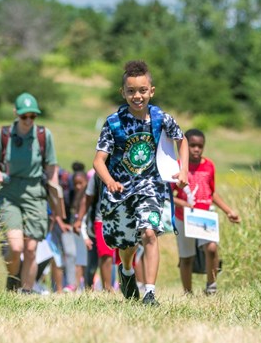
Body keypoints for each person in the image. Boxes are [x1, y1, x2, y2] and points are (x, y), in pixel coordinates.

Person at [93, 60, 189, 306]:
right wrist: (110, 181)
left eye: (143, 90)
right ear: (122, 92)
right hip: (121, 192)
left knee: (149, 234)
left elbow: (182, 140)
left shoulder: (161, 118)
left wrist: (184, 170)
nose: (137, 96)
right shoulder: (113, 123)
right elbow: (98, 162)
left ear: (152, 91)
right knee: (126, 244)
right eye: (131, 91)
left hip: (151, 188)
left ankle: (149, 294)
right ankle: (126, 271)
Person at [0, 92, 63, 294]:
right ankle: (13, 278)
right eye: (24, 116)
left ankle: (26, 291)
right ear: (16, 113)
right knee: (16, 246)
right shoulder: (3, 135)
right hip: (9, 194)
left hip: (35, 195)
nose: (28, 120)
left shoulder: (43, 135)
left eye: (32, 116)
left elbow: (51, 170)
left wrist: (56, 201)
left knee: (31, 249)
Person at [172, 128, 241, 295]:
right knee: (187, 258)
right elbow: (167, 195)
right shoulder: (178, 167)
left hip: (205, 216)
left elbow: (212, 192)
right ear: (185, 146)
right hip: (184, 218)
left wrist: (228, 211)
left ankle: (211, 286)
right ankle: (188, 293)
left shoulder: (209, 165)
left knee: (211, 248)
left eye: (200, 146)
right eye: (192, 145)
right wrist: (182, 203)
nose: (196, 149)